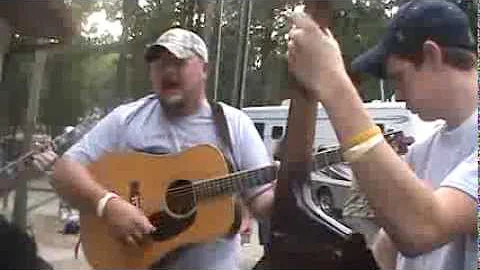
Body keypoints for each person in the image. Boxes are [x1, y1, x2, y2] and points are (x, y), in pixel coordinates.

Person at [51, 28, 275, 270]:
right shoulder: (126, 119)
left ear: (205, 70)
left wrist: (291, 182)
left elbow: (262, 203)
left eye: (178, 62)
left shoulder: (235, 125)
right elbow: (63, 171)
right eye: (159, 64)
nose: (167, 71)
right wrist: (107, 204)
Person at [287, 1, 477, 270]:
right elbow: (384, 255)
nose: (398, 94)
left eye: (399, 77)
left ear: (432, 55)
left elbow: (423, 229)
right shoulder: (421, 153)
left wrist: (332, 82)